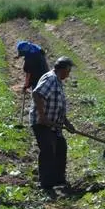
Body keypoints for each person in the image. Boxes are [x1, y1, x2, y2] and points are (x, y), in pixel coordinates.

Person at [31, 57, 75, 194]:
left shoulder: (58, 82)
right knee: (48, 149)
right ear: (62, 69)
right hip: (42, 123)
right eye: (68, 71)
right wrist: (42, 116)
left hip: (54, 124)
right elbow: (37, 94)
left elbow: (58, 106)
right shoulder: (50, 79)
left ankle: (58, 180)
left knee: (61, 146)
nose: (68, 74)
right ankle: (46, 184)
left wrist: (67, 123)